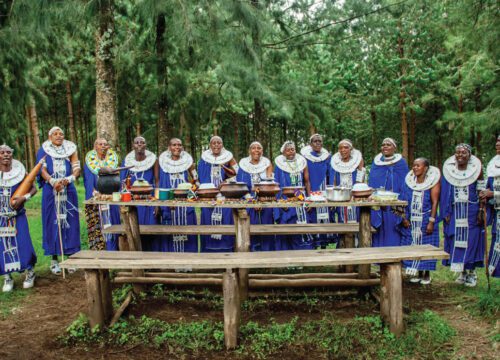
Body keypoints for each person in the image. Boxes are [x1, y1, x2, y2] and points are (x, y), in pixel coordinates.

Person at [36, 127, 81, 275]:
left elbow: (76, 169)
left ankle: (71, 258)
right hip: (51, 190)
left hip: (68, 190)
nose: (59, 136)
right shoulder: (44, 149)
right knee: (52, 222)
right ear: (50, 137)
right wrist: (52, 181)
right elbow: (41, 170)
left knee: (70, 222)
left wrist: (69, 180)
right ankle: (54, 259)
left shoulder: (70, 149)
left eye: (61, 133)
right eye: (55, 134)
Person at [441, 144, 484, 287]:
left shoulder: (477, 171)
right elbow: (446, 193)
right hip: (455, 211)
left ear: (469, 155)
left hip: (471, 211)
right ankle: (462, 272)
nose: (460, 155)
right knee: (456, 240)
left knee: (471, 241)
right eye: (457, 153)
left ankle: (471, 273)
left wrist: (481, 210)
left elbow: (481, 191)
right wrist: (446, 212)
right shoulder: (449, 172)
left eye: (463, 152)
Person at [1, 145, 37, 292]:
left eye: (8, 152)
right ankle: (7, 277)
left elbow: (33, 188)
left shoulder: (20, 171)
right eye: (2, 152)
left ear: (12, 155)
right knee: (3, 246)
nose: (5, 155)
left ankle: (30, 272)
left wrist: (24, 197)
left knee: (23, 243)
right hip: (1, 218)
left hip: (18, 216)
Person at [400, 158, 441, 285]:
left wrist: (431, 221)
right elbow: (403, 201)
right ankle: (417, 272)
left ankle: (426, 274)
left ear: (426, 168)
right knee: (413, 244)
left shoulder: (433, 182)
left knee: (426, 245)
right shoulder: (409, 182)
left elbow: (435, 203)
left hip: (425, 218)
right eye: (414, 165)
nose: (415, 168)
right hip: (412, 218)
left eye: (418, 165)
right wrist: (404, 218)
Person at [198, 136, 238, 252]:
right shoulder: (204, 159)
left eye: (219, 143)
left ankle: (226, 251)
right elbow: (199, 176)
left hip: (224, 196)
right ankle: (209, 253)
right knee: (207, 222)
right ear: (210, 145)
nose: (216, 145)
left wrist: (226, 181)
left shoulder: (228, 158)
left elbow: (237, 172)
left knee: (226, 222)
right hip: (208, 196)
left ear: (222, 144)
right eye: (214, 143)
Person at [158, 138, 198, 253]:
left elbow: (195, 179)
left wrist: (194, 186)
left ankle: (187, 261)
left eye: (179, 145)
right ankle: (171, 262)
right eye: (174, 145)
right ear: (169, 147)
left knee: (186, 230)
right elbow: (159, 183)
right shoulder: (162, 163)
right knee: (170, 231)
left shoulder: (188, 163)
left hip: (185, 205)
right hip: (169, 205)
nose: (177, 147)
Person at [121, 136, 160, 251]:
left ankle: (152, 260)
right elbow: (123, 181)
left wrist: (157, 201)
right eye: (136, 142)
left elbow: (157, 180)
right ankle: (138, 257)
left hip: (149, 200)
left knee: (151, 230)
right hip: (133, 201)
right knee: (134, 230)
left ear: (145, 145)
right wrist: (124, 201)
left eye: (142, 142)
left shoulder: (153, 160)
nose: (139, 144)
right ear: (133, 145)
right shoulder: (127, 161)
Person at [368, 138, 409, 247]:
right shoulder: (376, 164)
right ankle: (379, 255)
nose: (385, 146)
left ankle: (393, 254)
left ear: (394, 148)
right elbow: (372, 182)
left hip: (394, 203)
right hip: (379, 204)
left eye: (388, 144)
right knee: (379, 228)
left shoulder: (401, 163)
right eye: (383, 144)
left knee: (392, 227)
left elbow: (405, 184)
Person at [274, 141, 312, 250]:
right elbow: (277, 184)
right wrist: (280, 201)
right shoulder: (279, 166)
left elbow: (307, 181)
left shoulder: (302, 163)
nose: (291, 151)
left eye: (293, 149)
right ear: (283, 153)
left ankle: (303, 254)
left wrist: (309, 199)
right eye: (288, 150)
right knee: (287, 227)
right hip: (285, 201)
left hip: (301, 199)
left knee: (302, 225)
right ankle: (287, 257)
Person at [83, 138, 120, 251]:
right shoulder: (90, 162)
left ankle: (113, 250)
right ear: (95, 147)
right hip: (97, 197)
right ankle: (99, 252)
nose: (103, 146)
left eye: (105, 144)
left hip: (111, 198)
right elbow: (88, 181)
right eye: (100, 144)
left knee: (113, 222)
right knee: (98, 224)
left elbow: (118, 179)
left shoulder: (113, 160)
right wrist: (95, 192)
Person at [237, 141, 275, 251]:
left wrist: (261, 199)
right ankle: (252, 252)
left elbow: (269, 184)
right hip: (248, 200)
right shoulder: (243, 165)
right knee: (250, 227)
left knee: (267, 226)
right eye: (253, 148)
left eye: (259, 148)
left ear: (262, 151)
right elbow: (241, 186)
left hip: (264, 200)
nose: (256, 150)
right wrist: (252, 200)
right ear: (249, 151)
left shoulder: (267, 164)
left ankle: (267, 254)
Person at [301, 134, 333, 248]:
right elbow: (305, 179)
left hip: (324, 192)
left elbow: (330, 176)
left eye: (320, 141)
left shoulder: (327, 157)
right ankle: (314, 245)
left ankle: (323, 246)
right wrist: (309, 197)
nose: (318, 143)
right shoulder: (305, 158)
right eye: (315, 141)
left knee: (324, 217)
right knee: (312, 217)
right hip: (311, 190)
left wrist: (330, 195)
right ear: (310, 144)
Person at [329, 139, 365, 236]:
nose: (343, 150)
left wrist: (356, 193)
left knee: (356, 219)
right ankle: (343, 244)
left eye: (345, 147)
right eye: (340, 148)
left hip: (354, 196)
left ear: (351, 149)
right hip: (341, 196)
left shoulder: (358, 160)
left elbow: (360, 178)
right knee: (342, 219)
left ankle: (357, 244)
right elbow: (334, 180)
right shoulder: (335, 162)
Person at [480, 136, 500, 278]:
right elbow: (488, 185)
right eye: (497, 141)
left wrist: (493, 193)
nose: (498, 144)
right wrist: (484, 194)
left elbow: (492, 191)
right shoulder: (494, 163)